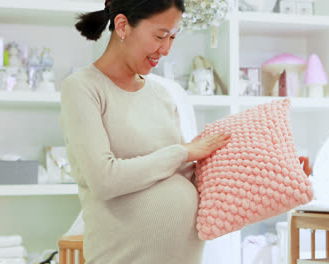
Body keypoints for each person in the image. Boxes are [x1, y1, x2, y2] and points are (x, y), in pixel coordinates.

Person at [59, 0, 231, 263]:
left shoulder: (162, 94)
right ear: (122, 26)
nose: (166, 50)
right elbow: (105, 180)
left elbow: (182, 174)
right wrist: (182, 152)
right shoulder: (83, 89)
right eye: (160, 36)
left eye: (173, 37)